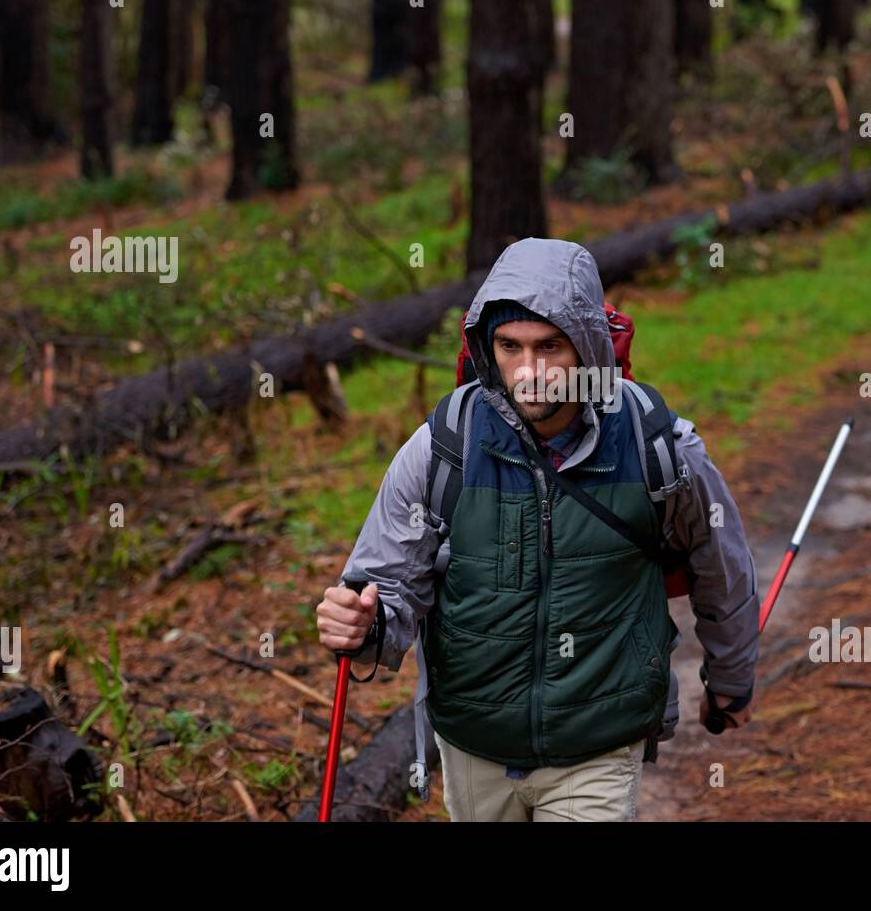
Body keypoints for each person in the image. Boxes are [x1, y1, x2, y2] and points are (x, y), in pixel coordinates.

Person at [317, 237, 758, 821]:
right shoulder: (445, 446)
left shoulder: (659, 447)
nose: (530, 371)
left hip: (597, 740)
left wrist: (729, 679)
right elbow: (385, 582)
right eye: (510, 347)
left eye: (551, 346)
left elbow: (720, 566)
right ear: (485, 347)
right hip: (474, 740)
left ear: (590, 347)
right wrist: (365, 622)